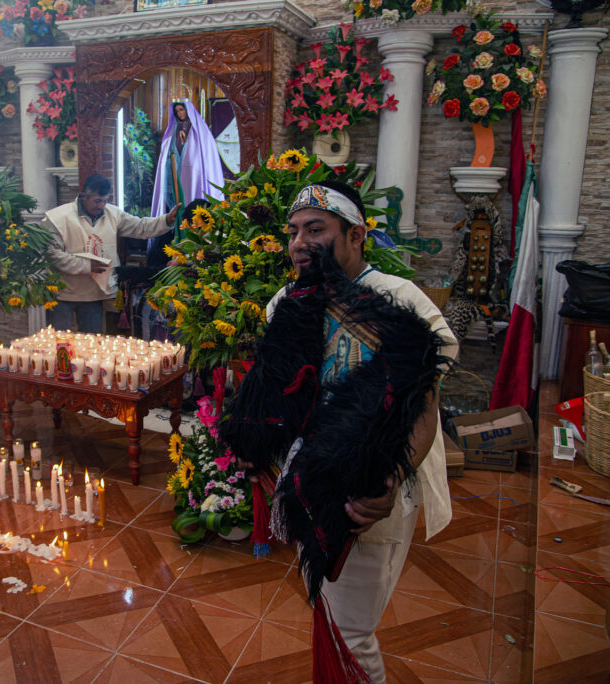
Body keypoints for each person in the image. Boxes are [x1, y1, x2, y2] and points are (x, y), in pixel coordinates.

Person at [222, 180, 457, 683]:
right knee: (332, 612)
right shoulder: (287, 300)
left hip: (373, 489)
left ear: (356, 235)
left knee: (350, 633)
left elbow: (424, 408)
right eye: (293, 232)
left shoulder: (401, 299)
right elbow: (285, 393)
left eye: (315, 229)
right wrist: (257, 442)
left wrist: (389, 481)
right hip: (315, 479)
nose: (299, 242)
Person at [42, 174, 179, 333]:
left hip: (93, 293)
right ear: (84, 196)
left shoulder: (112, 214)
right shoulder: (58, 218)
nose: (101, 206)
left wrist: (166, 220)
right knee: (58, 340)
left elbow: (140, 227)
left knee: (92, 341)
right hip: (62, 293)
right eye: (97, 201)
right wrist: (86, 265)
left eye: (105, 201)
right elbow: (52, 255)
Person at [151, 101, 224, 227]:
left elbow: (205, 156)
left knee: (191, 198)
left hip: (192, 174)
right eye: (177, 111)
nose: (180, 113)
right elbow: (168, 151)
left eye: (181, 109)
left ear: (188, 110)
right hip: (173, 171)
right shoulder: (172, 130)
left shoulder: (201, 132)